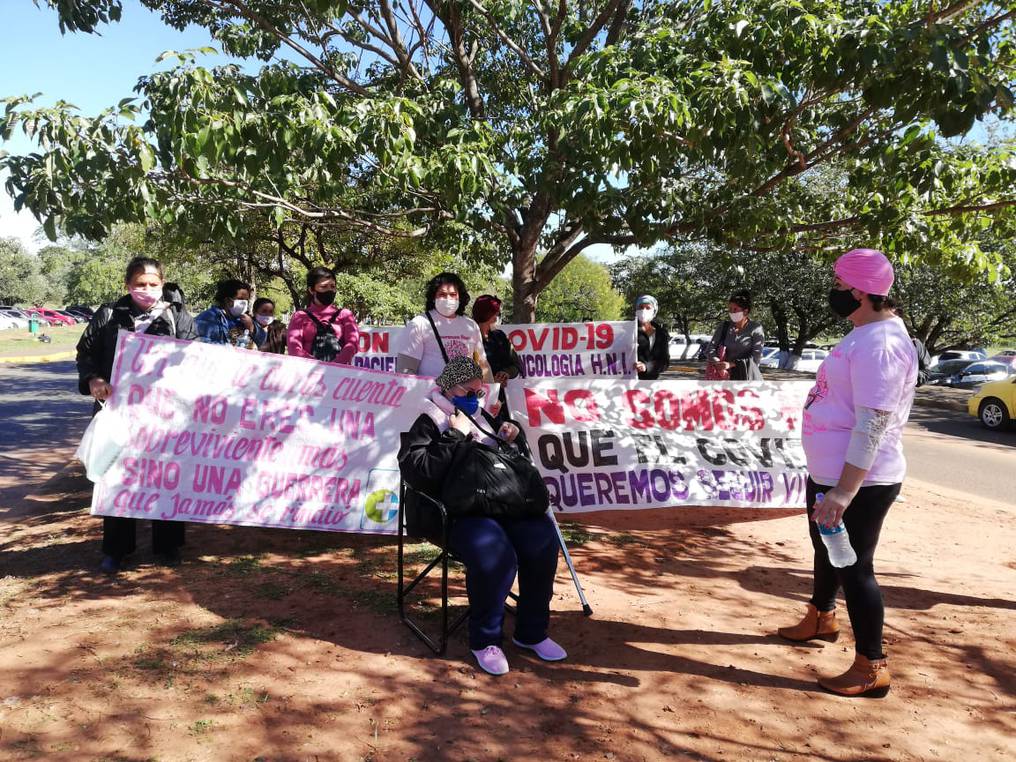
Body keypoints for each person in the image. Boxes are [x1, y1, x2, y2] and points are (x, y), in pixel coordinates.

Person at [777, 248, 917, 697]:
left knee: (856, 568)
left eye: (838, 286)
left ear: (859, 290)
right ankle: (821, 617)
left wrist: (843, 491)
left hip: (859, 483)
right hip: (831, 476)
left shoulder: (882, 344)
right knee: (826, 548)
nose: (834, 293)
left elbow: (873, 422)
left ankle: (871, 666)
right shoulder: (863, 332)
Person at [398, 356, 565, 676]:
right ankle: (485, 640)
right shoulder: (428, 418)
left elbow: (510, 463)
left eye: (479, 391)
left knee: (541, 542)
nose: (476, 397)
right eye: (469, 391)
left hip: (503, 503)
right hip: (456, 512)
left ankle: (531, 633)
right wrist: (453, 437)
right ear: (448, 388)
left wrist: (513, 436)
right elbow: (417, 473)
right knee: (495, 554)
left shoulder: (484, 415)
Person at [75, 256, 198, 574]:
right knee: (116, 476)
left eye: (153, 284)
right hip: (117, 412)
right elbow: (85, 352)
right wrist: (93, 379)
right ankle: (116, 550)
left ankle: (168, 546)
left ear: (162, 283)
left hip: (165, 416)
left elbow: (197, 355)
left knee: (165, 477)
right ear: (128, 286)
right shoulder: (108, 315)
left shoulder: (177, 316)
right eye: (140, 284)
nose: (147, 290)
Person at [396, 272, 492, 380]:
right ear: (433, 297)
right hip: (430, 395)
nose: (448, 299)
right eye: (442, 294)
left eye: (453, 294)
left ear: (460, 297)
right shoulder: (419, 324)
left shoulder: (471, 325)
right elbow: (405, 370)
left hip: (465, 394)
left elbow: (483, 365)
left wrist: (491, 394)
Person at [286, 267, 359, 363]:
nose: (330, 290)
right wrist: (318, 366)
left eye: (332, 286)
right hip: (309, 372)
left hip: (340, 374)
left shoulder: (345, 315)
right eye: (324, 287)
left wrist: (335, 366)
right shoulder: (299, 316)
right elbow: (294, 349)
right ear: (312, 290)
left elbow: (353, 343)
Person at [472, 294, 520, 419]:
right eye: (496, 313)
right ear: (487, 314)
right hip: (476, 401)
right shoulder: (468, 338)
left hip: (501, 401)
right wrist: (490, 382)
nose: (497, 317)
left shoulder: (500, 337)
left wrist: (506, 373)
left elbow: (516, 364)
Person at [705, 290, 765, 380]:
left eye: (735, 309)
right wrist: (718, 364)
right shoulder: (723, 326)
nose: (732, 312)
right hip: (723, 378)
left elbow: (756, 358)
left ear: (745, 311)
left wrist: (731, 364)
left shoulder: (756, 328)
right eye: (730, 309)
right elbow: (710, 348)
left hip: (746, 377)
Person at [194, 278, 265, 348]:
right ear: (228, 301)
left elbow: (263, 342)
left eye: (247, 300)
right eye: (241, 299)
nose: (245, 303)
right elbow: (201, 347)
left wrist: (252, 328)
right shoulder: (208, 318)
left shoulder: (245, 320)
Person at [634, 295, 670, 380]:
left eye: (648, 308)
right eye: (641, 307)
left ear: (654, 311)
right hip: (626, 381)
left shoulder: (661, 334)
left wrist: (647, 367)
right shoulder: (628, 330)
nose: (644, 310)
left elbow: (664, 363)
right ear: (636, 310)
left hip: (650, 383)